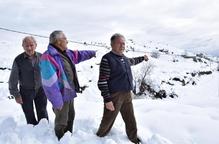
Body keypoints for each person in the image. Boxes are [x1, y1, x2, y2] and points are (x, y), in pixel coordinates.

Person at [40, 30, 96, 140]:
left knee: (71, 116)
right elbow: (49, 84)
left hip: (69, 92)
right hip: (60, 96)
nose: (67, 41)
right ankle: (60, 138)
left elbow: (79, 55)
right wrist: (57, 101)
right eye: (65, 39)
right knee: (62, 120)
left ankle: (68, 136)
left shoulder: (66, 52)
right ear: (59, 41)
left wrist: (93, 53)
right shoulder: (48, 58)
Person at [96, 33, 148, 144]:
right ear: (112, 44)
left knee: (130, 118)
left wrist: (143, 58)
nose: (122, 45)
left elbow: (133, 61)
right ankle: (99, 136)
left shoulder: (124, 58)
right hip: (114, 95)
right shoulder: (107, 59)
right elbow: (102, 81)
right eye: (119, 43)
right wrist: (107, 99)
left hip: (127, 94)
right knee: (108, 119)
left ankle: (133, 138)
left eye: (124, 43)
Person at [8, 36, 49, 125]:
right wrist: (16, 95)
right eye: (27, 46)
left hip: (40, 90)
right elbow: (13, 79)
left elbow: (48, 74)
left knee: (43, 113)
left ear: (35, 45)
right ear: (23, 46)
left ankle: (45, 132)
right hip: (25, 91)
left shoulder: (42, 57)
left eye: (31, 45)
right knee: (29, 114)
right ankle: (32, 134)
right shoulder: (18, 60)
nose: (29, 48)